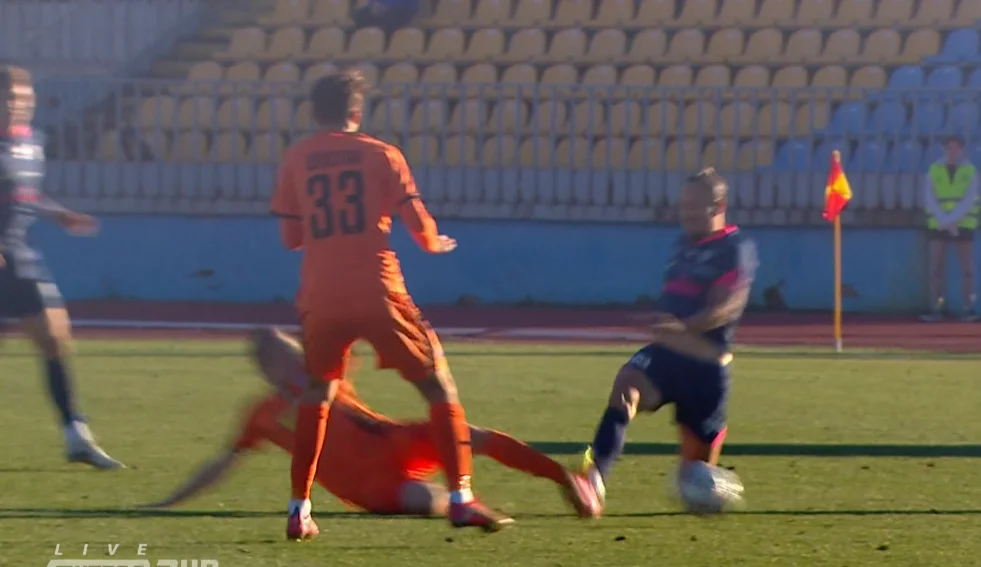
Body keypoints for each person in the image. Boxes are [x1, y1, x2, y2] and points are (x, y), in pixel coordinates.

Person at [269, 69, 512, 539]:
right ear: (356, 112)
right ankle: (461, 498)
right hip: (378, 289)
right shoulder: (382, 154)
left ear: (315, 113)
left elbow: (291, 238)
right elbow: (417, 222)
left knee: (317, 394)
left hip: (321, 292)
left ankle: (300, 510)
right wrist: (434, 243)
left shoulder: (297, 157)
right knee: (438, 388)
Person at [143, 328, 585, 516]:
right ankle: (469, 507)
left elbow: (355, 330)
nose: (293, 359)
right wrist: (172, 500)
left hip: (394, 440)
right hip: (367, 485)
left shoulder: (325, 373)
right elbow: (224, 461)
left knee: (471, 435)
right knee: (422, 500)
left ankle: (565, 479)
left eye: (292, 350)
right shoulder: (263, 413)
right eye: (280, 357)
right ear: (268, 370)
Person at [562, 168, 757, 517]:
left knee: (694, 480)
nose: (686, 213)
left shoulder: (735, 248)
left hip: (706, 370)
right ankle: (594, 476)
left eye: (694, 205)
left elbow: (728, 306)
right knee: (626, 386)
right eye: (684, 205)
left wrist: (684, 327)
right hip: (666, 356)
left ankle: (716, 486)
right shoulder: (683, 245)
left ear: (718, 206)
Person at [0, 65, 123, 469]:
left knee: (55, 338)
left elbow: (27, 194)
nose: (16, 105)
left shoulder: (31, 142)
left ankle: (76, 435)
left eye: (23, 98)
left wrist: (59, 214)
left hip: (20, 255)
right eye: (8, 98)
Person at [922, 135, 978, 322]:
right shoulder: (934, 170)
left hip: (963, 223)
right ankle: (936, 308)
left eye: (956, 148)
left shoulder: (970, 171)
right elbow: (930, 198)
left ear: (961, 150)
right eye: (949, 148)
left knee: (967, 270)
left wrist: (952, 220)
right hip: (939, 224)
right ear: (944, 149)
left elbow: (969, 199)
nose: (952, 151)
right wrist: (945, 220)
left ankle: (968, 308)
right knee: (936, 269)